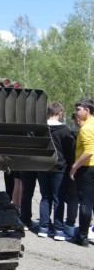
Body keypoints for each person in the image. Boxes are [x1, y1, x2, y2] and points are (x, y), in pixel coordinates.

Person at [36, 102, 75, 241]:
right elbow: (69, 151)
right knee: (58, 198)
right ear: (60, 113)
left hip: (42, 166)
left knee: (45, 197)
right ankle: (58, 230)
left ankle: (43, 228)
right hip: (59, 167)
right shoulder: (65, 130)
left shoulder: (40, 128)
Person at [69, 99, 94, 247]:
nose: (77, 113)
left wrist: (74, 166)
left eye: (79, 109)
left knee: (86, 203)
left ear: (87, 110)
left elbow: (89, 152)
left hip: (87, 168)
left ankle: (82, 236)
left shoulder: (85, 128)